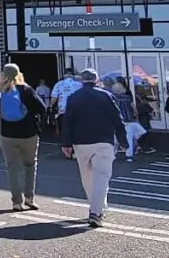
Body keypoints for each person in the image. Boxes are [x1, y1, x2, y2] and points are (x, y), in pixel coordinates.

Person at [61, 68, 127, 228]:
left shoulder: (73, 97)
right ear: (97, 80)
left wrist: (66, 143)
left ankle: (96, 207)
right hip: (103, 141)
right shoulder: (106, 96)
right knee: (102, 176)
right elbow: (118, 120)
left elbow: (67, 122)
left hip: (81, 142)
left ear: (82, 81)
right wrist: (124, 141)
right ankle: (96, 211)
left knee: (87, 177)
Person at [0, 63, 47, 211]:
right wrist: (38, 127)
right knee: (30, 166)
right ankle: (29, 199)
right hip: (28, 135)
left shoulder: (0, 91)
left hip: (7, 136)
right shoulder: (26, 90)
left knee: (13, 168)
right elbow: (42, 108)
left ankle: (16, 202)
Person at [111, 81, 146, 162]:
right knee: (128, 137)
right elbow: (134, 108)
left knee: (115, 138)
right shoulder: (127, 98)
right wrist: (136, 117)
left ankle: (113, 154)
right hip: (128, 120)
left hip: (116, 121)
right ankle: (129, 155)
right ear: (123, 89)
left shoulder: (112, 98)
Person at [51, 68, 83, 141]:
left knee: (65, 130)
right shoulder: (79, 84)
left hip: (63, 111)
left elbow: (54, 97)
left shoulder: (59, 84)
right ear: (72, 75)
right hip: (77, 111)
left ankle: (66, 145)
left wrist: (50, 106)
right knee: (76, 129)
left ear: (64, 75)